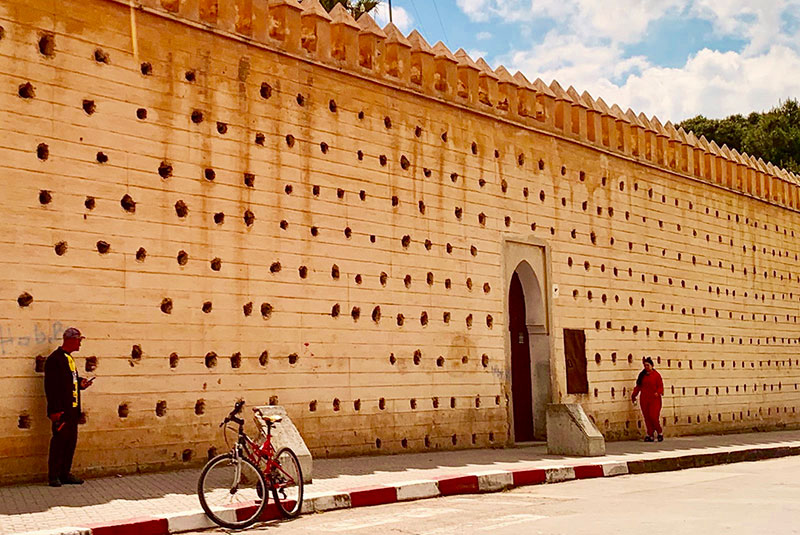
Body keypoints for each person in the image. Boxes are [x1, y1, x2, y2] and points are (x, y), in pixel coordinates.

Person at [44, 327, 93, 487]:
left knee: (70, 443)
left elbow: (69, 381)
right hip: (62, 411)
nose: (80, 344)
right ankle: (54, 475)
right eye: (79, 340)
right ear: (71, 340)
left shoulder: (69, 359)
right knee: (59, 443)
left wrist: (81, 383)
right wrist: (54, 410)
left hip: (72, 410)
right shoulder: (54, 360)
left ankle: (65, 473)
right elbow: (51, 387)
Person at [631, 357, 664, 442]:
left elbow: (660, 386)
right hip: (644, 399)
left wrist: (658, 392)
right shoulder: (642, 375)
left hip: (655, 399)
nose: (646, 367)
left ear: (652, 365)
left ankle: (659, 432)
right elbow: (638, 386)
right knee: (647, 417)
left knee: (654, 417)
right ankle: (650, 434)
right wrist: (634, 395)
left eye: (648, 365)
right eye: (645, 365)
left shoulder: (656, 375)